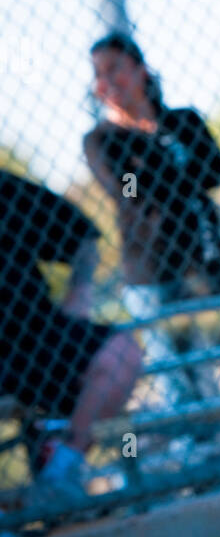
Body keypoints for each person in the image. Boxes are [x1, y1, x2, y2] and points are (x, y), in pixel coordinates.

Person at [84, 33, 220, 417]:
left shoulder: (182, 120)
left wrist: (154, 170)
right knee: (184, 387)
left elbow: (218, 171)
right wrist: (179, 169)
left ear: (140, 70)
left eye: (115, 68)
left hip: (207, 264)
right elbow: (129, 191)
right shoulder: (102, 140)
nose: (108, 81)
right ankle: (206, 465)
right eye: (98, 74)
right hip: (155, 276)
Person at [0, 170, 141, 512]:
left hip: (30, 335)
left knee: (120, 353)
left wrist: (79, 291)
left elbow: (83, 237)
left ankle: (60, 475)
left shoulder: (4, 190)